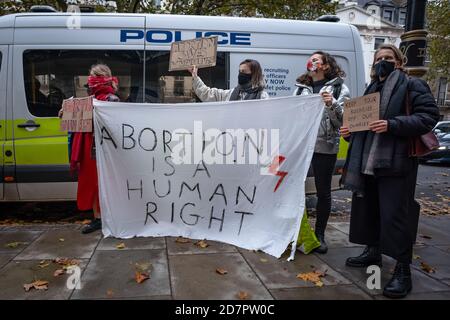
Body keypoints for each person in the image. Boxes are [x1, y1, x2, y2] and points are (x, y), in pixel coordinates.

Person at [340, 44, 439, 298]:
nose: (383, 61)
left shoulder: (411, 84)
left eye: (388, 57)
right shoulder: (371, 89)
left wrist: (393, 124)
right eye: (379, 58)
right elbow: (365, 127)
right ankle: (373, 251)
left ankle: (402, 270)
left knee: (395, 216)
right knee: (370, 210)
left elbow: (429, 116)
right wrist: (351, 133)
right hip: (367, 163)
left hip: (396, 163)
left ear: (399, 61)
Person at [293, 51, 350, 254]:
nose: (312, 61)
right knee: (293, 189)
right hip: (301, 146)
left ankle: (319, 235)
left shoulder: (339, 88)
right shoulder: (300, 88)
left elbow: (343, 122)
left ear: (325, 66)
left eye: (317, 59)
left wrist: (331, 104)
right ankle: (296, 231)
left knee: (323, 191)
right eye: (311, 59)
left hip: (325, 147)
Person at [70, 64, 120, 234]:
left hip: (105, 151)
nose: (90, 82)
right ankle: (97, 218)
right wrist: (68, 113)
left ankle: (106, 217)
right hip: (91, 150)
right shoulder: (90, 100)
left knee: (105, 184)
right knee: (92, 184)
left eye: (93, 77)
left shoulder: (111, 100)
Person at [188, 59, 269, 101]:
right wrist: (195, 76)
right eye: (239, 71)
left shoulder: (262, 97)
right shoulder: (231, 93)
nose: (240, 74)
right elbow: (207, 94)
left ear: (254, 74)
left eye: (243, 71)